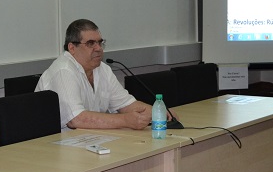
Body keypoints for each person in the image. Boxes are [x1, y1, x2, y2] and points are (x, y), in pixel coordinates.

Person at [36, 19, 175, 130]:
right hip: (56, 146)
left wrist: (159, 112)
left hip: (89, 140)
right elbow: (76, 119)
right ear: (72, 47)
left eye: (100, 42)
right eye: (91, 43)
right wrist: (126, 121)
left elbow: (126, 104)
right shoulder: (63, 71)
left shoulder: (102, 69)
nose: (98, 48)